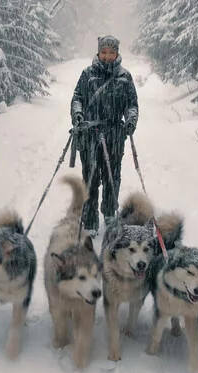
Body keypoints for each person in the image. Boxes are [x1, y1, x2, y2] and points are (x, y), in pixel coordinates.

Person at [70, 35, 139, 233]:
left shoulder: (125, 77)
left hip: (115, 134)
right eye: (104, 52)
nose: (107, 56)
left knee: (112, 176)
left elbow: (131, 104)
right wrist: (77, 115)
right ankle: (89, 219)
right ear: (98, 52)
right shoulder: (87, 74)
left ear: (117, 53)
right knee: (90, 177)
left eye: (111, 52)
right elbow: (77, 98)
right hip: (90, 134)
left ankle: (110, 213)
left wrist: (131, 120)